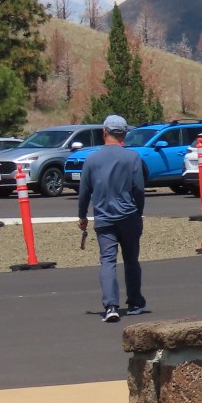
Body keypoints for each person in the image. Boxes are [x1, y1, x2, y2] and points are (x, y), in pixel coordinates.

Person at [78, 114, 149, 322]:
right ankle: (135, 302)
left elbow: (84, 192)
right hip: (129, 216)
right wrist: (138, 212)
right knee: (131, 260)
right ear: (124, 134)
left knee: (107, 261)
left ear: (104, 132)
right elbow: (139, 189)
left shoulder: (91, 159)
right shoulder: (132, 157)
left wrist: (82, 216)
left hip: (104, 218)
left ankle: (111, 306)